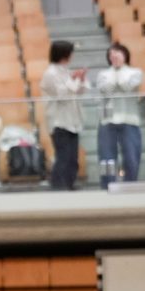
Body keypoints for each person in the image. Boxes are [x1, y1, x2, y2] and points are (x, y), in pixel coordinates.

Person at [41, 40, 89, 190]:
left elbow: (79, 91)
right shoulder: (50, 73)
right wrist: (73, 80)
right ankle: (59, 188)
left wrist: (80, 79)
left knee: (73, 158)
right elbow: (61, 95)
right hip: (59, 122)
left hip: (72, 121)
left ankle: (69, 184)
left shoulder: (65, 72)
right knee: (63, 157)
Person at [96, 42, 143, 188]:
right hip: (107, 120)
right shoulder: (103, 74)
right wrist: (116, 78)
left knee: (131, 157)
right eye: (111, 54)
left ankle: (130, 185)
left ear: (125, 55)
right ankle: (107, 186)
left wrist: (118, 75)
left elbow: (127, 87)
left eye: (117, 53)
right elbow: (106, 90)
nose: (114, 56)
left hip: (129, 119)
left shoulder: (135, 72)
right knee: (106, 158)